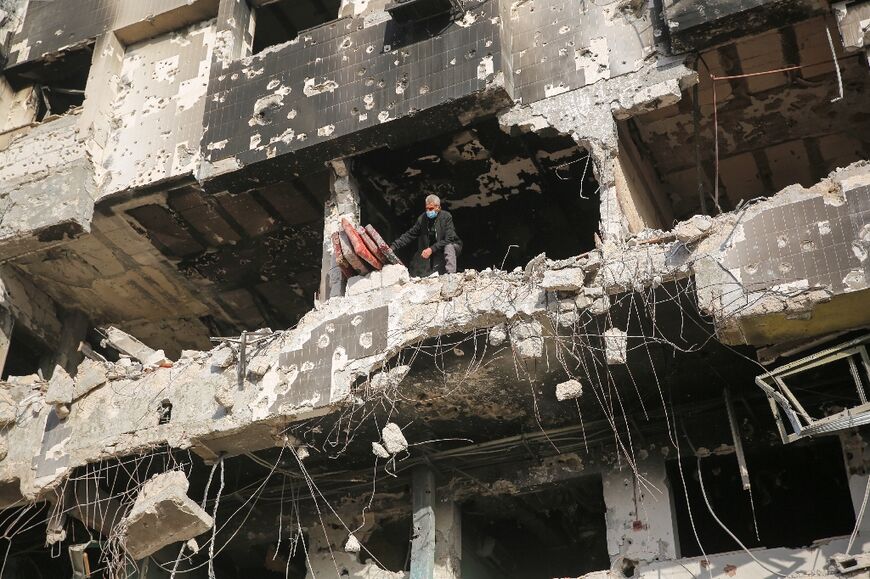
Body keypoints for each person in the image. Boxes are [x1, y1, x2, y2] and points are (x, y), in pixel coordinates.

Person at [391, 194, 462, 275]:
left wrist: (431, 249)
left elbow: (450, 238)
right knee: (432, 272)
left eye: (431, 209)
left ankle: (451, 275)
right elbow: (410, 234)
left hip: (450, 246)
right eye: (427, 209)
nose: (428, 211)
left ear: (438, 208)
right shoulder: (422, 219)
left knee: (449, 247)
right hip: (434, 250)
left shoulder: (446, 217)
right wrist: (394, 246)